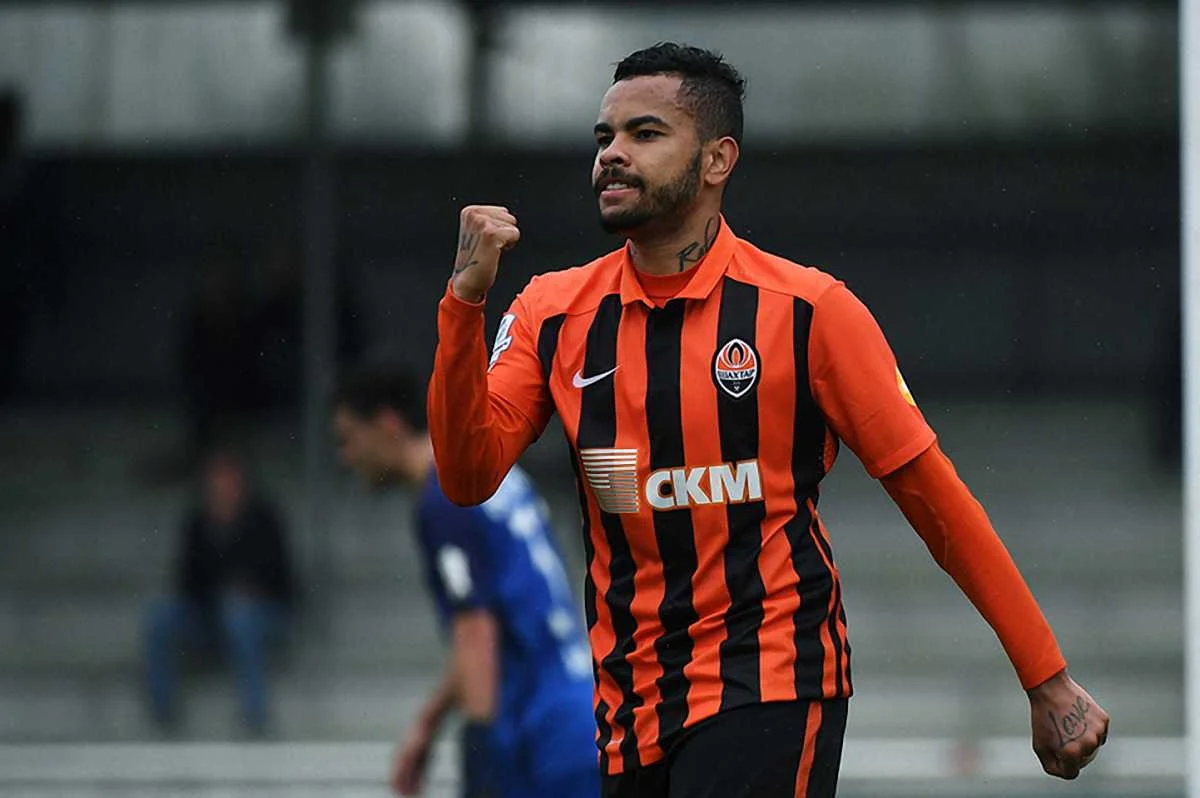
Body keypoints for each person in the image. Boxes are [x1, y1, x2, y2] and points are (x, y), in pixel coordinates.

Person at [427, 42, 1110, 798]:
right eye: (604, 137)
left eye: (645, 134)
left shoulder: (810, 312)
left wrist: (1044, 673)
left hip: (773, 680)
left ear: (717, 161)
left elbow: (935, 499)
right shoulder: (551, 312)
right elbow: (466, 475)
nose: (612, 154)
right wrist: (464, 305)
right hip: (629, 709)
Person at [332, 366, 599, 798]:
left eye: (348, 438)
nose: (345, 457)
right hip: (577, 711)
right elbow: (488, 626)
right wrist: (430, 721)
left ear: (387, 424)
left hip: (541, 734)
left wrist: (480, 755)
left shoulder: (444, 498)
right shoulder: (489, 474)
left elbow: (477, 631)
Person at [145, 449, 295, 735]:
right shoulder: (197, 522)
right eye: (216, 480)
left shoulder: (264, 518)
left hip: (262, 613)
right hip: (210, 611)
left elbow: (283, 578)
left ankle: (255, 715)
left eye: (228, 479)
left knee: (240, 617)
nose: (222, 487)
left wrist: (249, 589)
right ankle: (162, 711)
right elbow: (185, 581)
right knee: (159, 617)